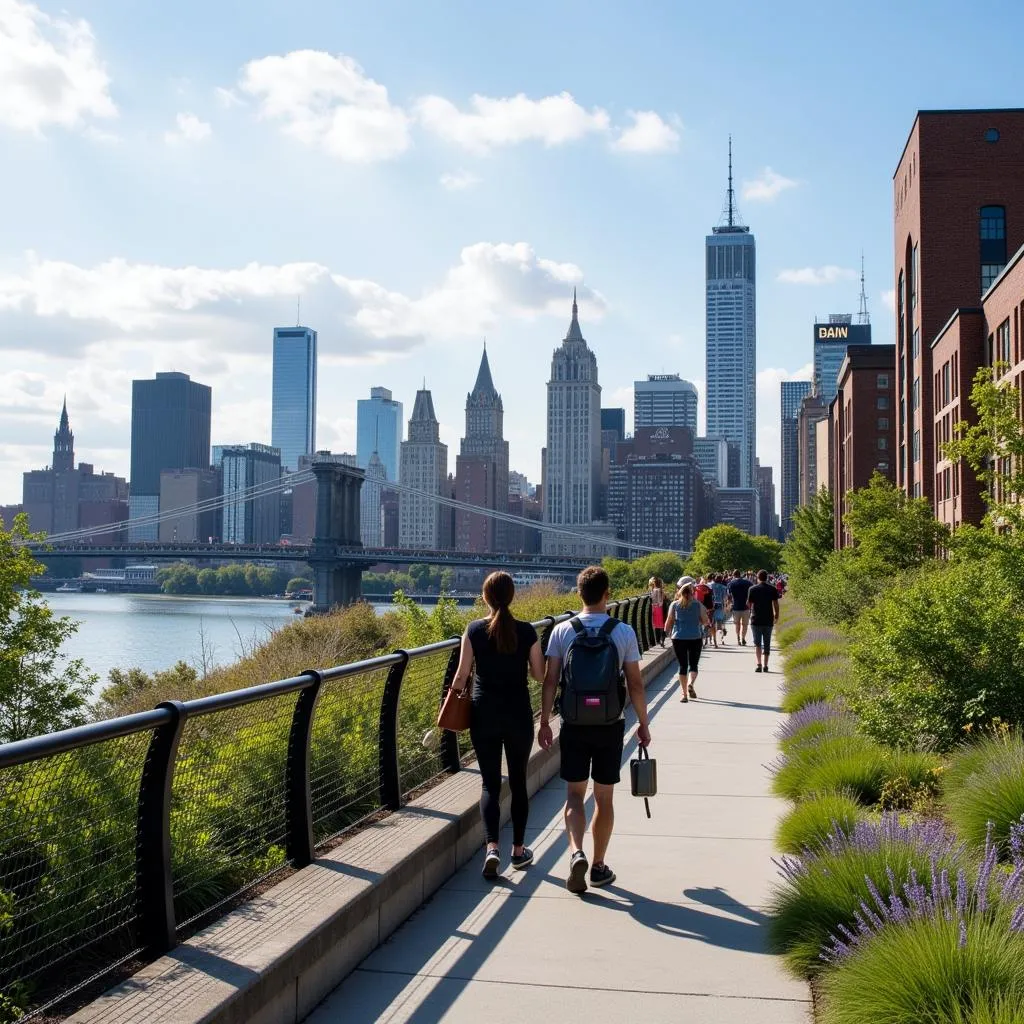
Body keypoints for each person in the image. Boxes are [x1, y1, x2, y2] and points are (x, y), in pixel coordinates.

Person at [539, 566, 651, 894]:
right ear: (607, 594)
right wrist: (643, 723)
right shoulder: (624, 632)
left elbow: (550, 681)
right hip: (609, 724)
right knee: (603, 797)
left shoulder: (562, 631)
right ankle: (599, 866)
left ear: (579, 594)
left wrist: (545, 721)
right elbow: (635, 684)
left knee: (574, 795)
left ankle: (576, 852)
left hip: (573, 723)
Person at [451, 571, 546, 879]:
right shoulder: (526, 631)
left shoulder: (474, 630)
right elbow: (539, 674)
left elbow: (462, 676)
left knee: (490, 783)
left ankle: (492, 848)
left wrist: (448, 705)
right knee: (518, 781)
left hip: (484, 714)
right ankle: (518, 852)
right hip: (518, 714)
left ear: (485, 596)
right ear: (512, 596)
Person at [664, 582, 708, 702]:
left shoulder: (674, 605)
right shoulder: (698, 605)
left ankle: (684, 694)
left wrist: (667, 633)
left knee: (683, 666)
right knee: (693, 665)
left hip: (678, 638)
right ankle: (691, 684)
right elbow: (705, 621)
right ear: (692, 592)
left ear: (680, 592)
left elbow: (668, 622)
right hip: (695, 637)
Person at [747, 569, 780, 673]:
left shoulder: (752, 589)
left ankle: (759, 664)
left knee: (757, 643)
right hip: (768, 618)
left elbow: (749, 604)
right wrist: (776, 616)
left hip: (756, 619)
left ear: (757, 577)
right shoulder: (772, 589)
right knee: (767, 642)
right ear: (767, 577)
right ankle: (766, 665)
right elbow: (775, 604)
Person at [727, 569, 753, 646]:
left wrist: (729, 605)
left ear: (733, 575)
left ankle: (738, 637)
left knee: (737, 624)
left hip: (736, 607)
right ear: (740, 574)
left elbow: (729, 596)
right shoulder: (748, 582)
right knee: (745, 625)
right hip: (746, 607)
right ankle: (743, 638)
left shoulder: (731, 583)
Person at [711, 573, 729, 644]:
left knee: (712, 623)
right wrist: (726, 608)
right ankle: (720, 639)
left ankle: (713, 639)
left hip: (712, 606)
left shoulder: (711, 586)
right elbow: (725, 598)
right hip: (720, 606)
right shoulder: (724, 587)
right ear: (721, 580)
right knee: (720, 623)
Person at [649, 576, 666, 648]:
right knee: (661, 624)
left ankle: (658, 640)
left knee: (656, 625)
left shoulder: (653, 590)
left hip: (654, 608)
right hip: (660, 608)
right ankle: (662, 639)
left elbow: (653, 600)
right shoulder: (660, 590)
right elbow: (661, 601)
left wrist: (654, 605)